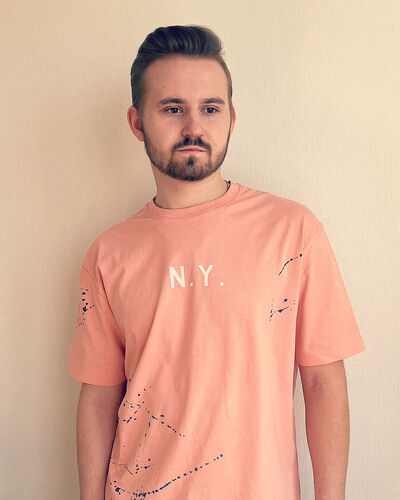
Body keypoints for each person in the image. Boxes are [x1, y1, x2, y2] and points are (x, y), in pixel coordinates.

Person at [68, 24, 366, 500]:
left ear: (231, 118)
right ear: (137, 122)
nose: (194, 127)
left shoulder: (292, 232)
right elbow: (99, 398)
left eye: (210, 108)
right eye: (172, 109)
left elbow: (323, 383)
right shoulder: (109, 253)